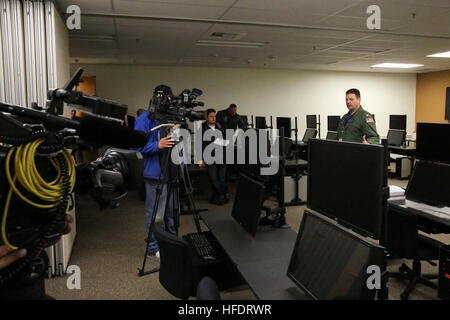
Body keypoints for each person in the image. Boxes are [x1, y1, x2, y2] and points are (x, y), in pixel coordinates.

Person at [134, 85, 177, 258]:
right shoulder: (144, 119)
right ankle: (153, 247)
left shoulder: (168, 118)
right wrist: (157, 145)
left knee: (170, 212)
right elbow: (135, 145)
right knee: (156, 214)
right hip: (154, 174)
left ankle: (172, 242)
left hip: (171, 171)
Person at [198, 109, 229, 205]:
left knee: (221, 178)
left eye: (214, 116)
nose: (213, 118)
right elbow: (199, 145)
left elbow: (226, 140)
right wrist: (199, 159)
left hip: (221, 157)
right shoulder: (202, 129)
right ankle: (224, 192)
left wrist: (224, 141)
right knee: (214, 179)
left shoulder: (219, 126)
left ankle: (216, 198)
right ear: (206, 117)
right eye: (211, 116)